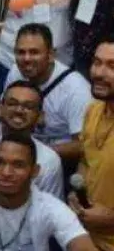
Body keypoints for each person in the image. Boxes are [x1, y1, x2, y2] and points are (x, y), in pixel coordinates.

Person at [0, 2, 64, 198]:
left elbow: (49, 214)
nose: (19, 110)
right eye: (12, 103)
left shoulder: (49, 161)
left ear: (40, 116)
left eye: (28, 106)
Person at [68, 38, 114, 251]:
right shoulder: (93, 111)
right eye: (97, 63)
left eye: (112, 66)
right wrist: (76, 193)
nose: (99, 72)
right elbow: (85, 160)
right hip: (87, 237)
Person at [5, 23, 92, 165]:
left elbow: (83, 145)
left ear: (51, 55)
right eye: (21, 52)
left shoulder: (76, 89)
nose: (26, 59)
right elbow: (4, 116)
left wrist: (39, 153)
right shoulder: (15, 72)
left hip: (60, 161)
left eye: (34, 52)